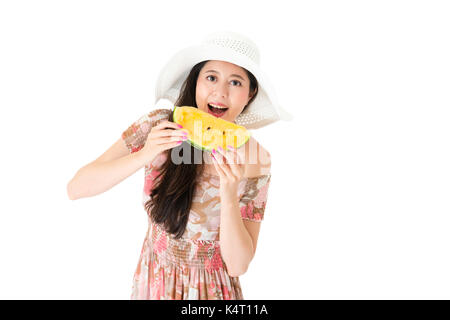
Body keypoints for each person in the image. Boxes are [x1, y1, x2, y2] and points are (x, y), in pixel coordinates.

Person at [67, 31, 293, 300]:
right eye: (211, 77)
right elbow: (76, 188)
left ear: (250, 93)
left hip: (211, 293)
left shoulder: (256, 158)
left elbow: (238, 264)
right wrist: (145, 153)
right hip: (154, 281)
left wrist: (229, 196)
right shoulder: (159, 126)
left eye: (235, 82)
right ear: (195, 81)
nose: (220, 93)